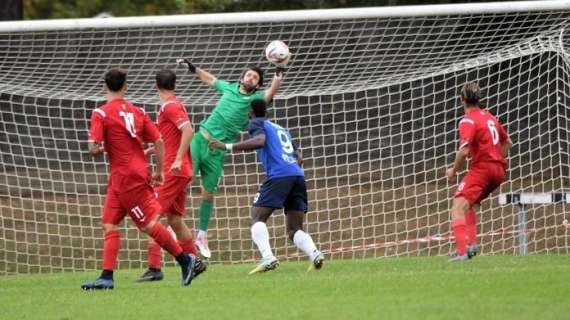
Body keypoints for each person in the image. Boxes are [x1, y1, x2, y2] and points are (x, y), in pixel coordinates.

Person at [81, 68, 197, 290]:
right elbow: (159, 140)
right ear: (126, 87)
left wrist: (103, 146)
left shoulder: (101, 113)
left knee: (150, 223)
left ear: (104, 85)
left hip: (128, 177)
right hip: (124, 176)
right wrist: (159, 170)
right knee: (109, 223)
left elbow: (93, 149)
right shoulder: (138, 111)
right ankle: (106, 277)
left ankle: (185, 260)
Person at [177, 58, 284, 258]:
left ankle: (201, 235)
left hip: (217, 151)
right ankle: (173, 223)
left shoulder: (256, 99)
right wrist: (193, 68)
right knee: (184, 179)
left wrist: (279, 73)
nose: (250, 78)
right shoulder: (229, 87)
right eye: (249, 74)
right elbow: (210, 79)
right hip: (200, 140)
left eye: (255, 77)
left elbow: (272, 92)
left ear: (258, 84)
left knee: (208, 194)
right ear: (243, 77)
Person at [209, 99, 324, 273]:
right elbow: (300, 157)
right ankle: (315, 253)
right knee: (294, 228)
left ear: (250, 113)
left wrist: (227, 146)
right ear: (268, 113)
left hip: (279, 175)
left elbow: (260, 141)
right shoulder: (280, 128)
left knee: (257, 217)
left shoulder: (256, 123)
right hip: (297, 176)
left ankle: (268, 257)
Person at [136, 69, 207, 282]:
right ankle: (195, 261)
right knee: (175, 220)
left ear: (156, 86)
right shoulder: (173, 104)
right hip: (179, 171)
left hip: (173, 171)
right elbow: (170, 137)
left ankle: (155, 267)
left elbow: (188, 130)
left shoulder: (171, 106)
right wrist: (151, 151)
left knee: (151, 217)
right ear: (174, 84)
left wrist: (176, 159)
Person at [446, 82, 513, 262]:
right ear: (478, 99)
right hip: (499, 170)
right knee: (470, 204)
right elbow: (508, 143)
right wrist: (497, 160)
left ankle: (462, 252)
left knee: (458, 206)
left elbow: (464, 151)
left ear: (462, 100)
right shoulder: (490, 117)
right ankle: (471, 245)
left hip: (483, 168)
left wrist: (452, 171)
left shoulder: (468, 120)